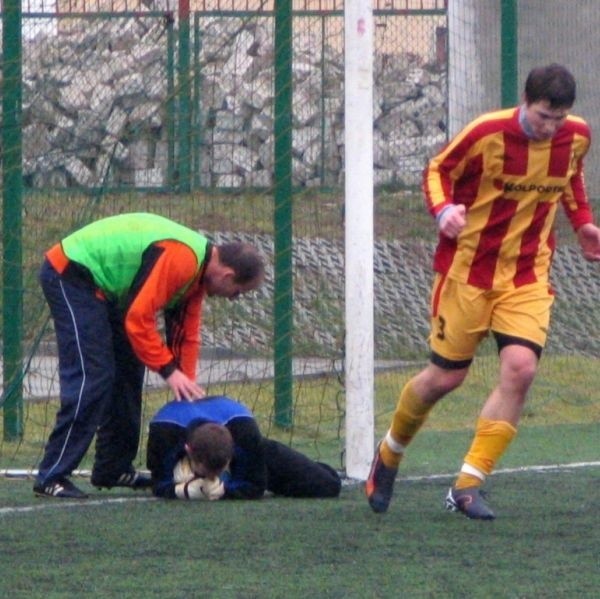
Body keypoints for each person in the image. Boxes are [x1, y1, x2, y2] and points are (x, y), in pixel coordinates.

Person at [366, 63, 600, 520]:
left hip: (527, 275)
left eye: (558, 118)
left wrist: (584, 223)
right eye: (541, 116)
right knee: (445, 379)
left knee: (521, 369)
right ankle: (390, 451)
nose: (549, 127)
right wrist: (442, 210)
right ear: (524, 102)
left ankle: (468, 485)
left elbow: (571, 177)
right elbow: (438, 169)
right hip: (466, 272)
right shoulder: (485, 132)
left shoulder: (576, 136)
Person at [34, 212, 265, 499]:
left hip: (108, 290)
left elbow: (184, 336)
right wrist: (169, 371)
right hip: (71, 273)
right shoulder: (183, 259)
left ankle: (113, 467)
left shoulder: (195, 278)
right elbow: (138, 318)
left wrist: (188, 397)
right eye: (237, 292)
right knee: (93, 375)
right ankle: (51, 475)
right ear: (228, 275)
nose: (233, 298)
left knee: (129, 372)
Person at [147, 395, 342, 500]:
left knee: (328, 486)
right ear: (188, 451)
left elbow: (255, 486)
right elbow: (158, 485)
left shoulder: (245, 433)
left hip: (242, 432)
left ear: (233, 453)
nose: (211, 478)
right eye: (207, 473)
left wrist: (223, 491)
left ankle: (316, 467)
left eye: (219, 472)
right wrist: (183, 491)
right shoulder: (163, 434)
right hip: (177, 427)